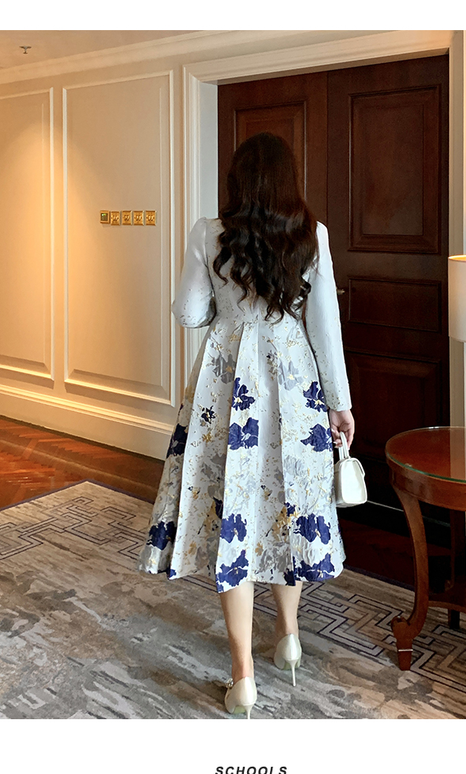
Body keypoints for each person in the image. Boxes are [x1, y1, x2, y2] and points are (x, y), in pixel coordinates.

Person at [136, 132, 355, 719]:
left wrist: (225, 303)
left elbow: (189, 314)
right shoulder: (312, 235)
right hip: (294, 384)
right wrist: (340, 405)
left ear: (237, 180)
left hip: (226, 384)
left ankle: (243, 677)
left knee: (234, 510)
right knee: (290, 506)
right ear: (289, 180)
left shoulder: (209, 234)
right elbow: (325, 328)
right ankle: (289, 637)